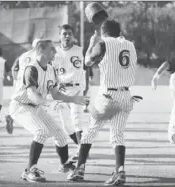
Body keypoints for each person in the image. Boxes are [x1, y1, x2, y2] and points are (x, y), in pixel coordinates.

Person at [67, 20, 138, 186]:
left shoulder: (102, 43)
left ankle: (80, 168)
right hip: (126, 96)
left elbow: (87, 62)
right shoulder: (131, 45)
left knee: (90, 132)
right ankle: (120, 171)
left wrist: (92, 43)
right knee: (117, 135)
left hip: (107, 96)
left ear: (103, 32)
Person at [8, 39, 90, 182]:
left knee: (60, 135)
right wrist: (48, 103)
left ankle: (64, 164)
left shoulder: (51, 69)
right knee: (41, 132)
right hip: (21, 106)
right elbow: (31, 94)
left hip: (36, 107)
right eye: (51, 49)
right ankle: (30, 170)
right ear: (41, 51)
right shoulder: (31, 68)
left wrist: (73, 99)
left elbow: (56, 94)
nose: (55, 51)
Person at [51, 24, 89, 162]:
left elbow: (87, 68)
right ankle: (81, 147)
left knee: (77, 119)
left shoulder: (80, 50)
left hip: (76, 88)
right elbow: (51, 73)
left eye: (69, 33)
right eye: (64, 34)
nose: (67, 36)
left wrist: (86, 88)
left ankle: (81, 153)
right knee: (67, 126)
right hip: (61, 91)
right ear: (60, 36)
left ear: (73, 36)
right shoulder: (54, 53)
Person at [5, 38, 41, 134]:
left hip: (20, 82)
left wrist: (16, 79)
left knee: (19, 101)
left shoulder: (23, 55)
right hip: (31, 83)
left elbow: (14, 68)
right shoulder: (40, 56)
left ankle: (10, 115)